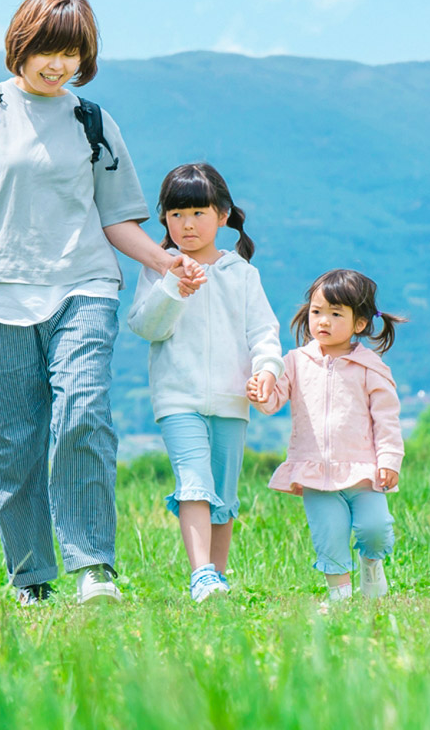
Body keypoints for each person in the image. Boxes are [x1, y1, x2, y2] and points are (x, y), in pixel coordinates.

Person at [0, 0, 207, 606]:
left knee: (83, 414)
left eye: (72, 54)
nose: (59, 64)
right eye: (48, 49)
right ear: (22, 43)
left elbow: (116, 218)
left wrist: (164, 261)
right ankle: (30, 576)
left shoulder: (91, 120)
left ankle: (93, 565)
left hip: (83, 285)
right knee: (13, 440)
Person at [126, 162, 284, 602]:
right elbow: (145, 326)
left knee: (222, 492)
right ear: (164, 220)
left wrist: (267, 371)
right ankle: (201, 575)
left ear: (223, 215)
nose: (187, 224)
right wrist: (173, 288)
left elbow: (263, 333)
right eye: (176, 215)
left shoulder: (243, 274)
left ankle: (217, 576)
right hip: (179, 397)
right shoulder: (160, 269)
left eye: (197, 212)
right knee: (194, 482)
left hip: (234, 399)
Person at [247, 269, 406, 603]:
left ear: (359, 324)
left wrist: (389, 460)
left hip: (363, 472)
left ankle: (371, 566)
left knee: (374, 529)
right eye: (317, 312)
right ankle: (340, 598)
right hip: (314, 472)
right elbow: (275, 400)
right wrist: (261, 395)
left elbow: (387, 419)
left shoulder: (370, 367)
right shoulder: (295, 361)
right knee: (329, 536)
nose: (323, 321)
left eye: (336, 314)